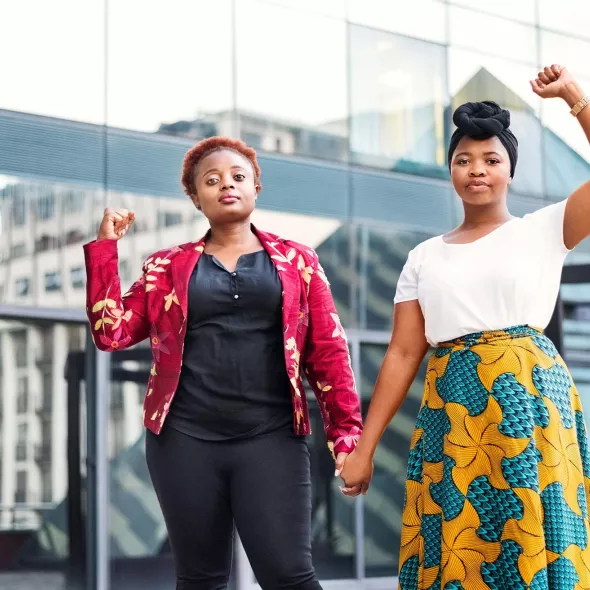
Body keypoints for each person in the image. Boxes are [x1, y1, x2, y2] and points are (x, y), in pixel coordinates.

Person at [339, 64, 590, 589]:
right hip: (454, 411)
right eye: (463, 160)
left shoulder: (543, 229)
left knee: (531, 540)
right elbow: (403, 356)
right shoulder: (422, 258)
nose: (477, 170)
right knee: (462, 546)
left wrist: (573, 97)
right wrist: (364, 448)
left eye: (491, 159)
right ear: (451, 171)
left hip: (529, 405)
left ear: (509, 170)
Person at [83, 136, 363, 590]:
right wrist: (104, 251)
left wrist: (347, 437)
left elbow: (328, 353)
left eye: (237, 176)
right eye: (211, 180)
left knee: (290, 576)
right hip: (183, 440)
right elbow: (110, 332)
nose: (226, 185)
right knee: (200, 579)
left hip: (271, 437)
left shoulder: (298, 262)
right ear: (196, 198)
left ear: (256, 186)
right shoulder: (165, 266)